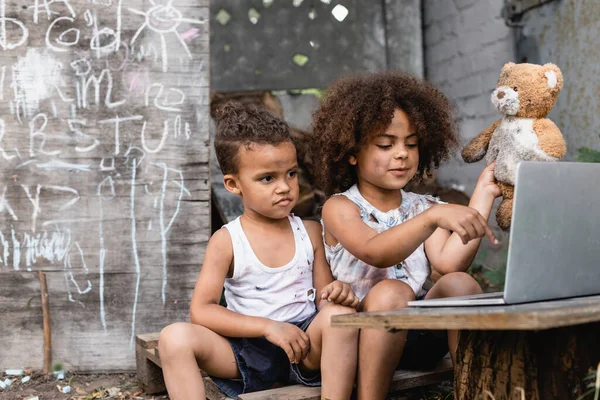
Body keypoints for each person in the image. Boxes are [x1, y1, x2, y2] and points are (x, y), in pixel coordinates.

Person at [311, 71, 502, 400]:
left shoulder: (423, 207)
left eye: (411, 144)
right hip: (361, 340)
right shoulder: (340, 207)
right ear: (352, 152)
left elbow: (450, 261)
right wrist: (433, 218)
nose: (401, 153)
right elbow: (375, 251)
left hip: (418, 339)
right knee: (391, 292)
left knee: (461, 284)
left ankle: (472, 392)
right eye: (386, 144)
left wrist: (482, 196)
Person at [158, 102, 359, 400]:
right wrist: (267, 327)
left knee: (340, 316)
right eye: (268, 178)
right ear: (233, 184)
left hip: (305, 346)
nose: (285, 187)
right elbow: (201, 311)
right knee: (173, 337)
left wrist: (338, 292)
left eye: (290, 174)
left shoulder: (310, 231)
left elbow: (323, 298)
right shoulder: (227, 241)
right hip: (247, 350)